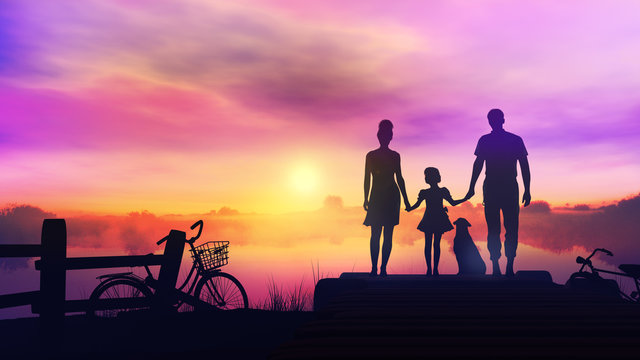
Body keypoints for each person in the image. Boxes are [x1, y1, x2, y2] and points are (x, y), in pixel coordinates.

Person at [465, 109, 531, 276]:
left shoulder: (514, 140)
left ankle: (507, 265)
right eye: (491, 119)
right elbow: (478, 164)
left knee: (508, 228)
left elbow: (524, 166)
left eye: (495, 118)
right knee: (496, 228)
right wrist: (471, 186)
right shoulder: (487, 140)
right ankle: (496, 265)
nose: (493, 121)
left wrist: (528, 189)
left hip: (507, 188)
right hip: (494, 188)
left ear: (502, 120)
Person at [363, 119, 411, 276]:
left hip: (387, 196)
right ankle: (377, 269)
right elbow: (367, 179)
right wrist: (366, 198)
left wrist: (405, 199)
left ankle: (379, 269)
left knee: (380, 234)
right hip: (381, 196)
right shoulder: (377, 155)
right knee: (380, 234)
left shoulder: (377, 156)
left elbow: (399, 178)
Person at [407, 167, 466, 276]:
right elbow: (453, 202)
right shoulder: (439, 191)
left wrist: (410, 208)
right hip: (436, 218)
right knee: (435, 244)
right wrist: (465, 198)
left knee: (429, 244)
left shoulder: (426, 192)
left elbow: (416, 205)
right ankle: (433, 270)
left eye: (427, 176)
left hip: (431, 218)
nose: (426, 178)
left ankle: (431, 269)